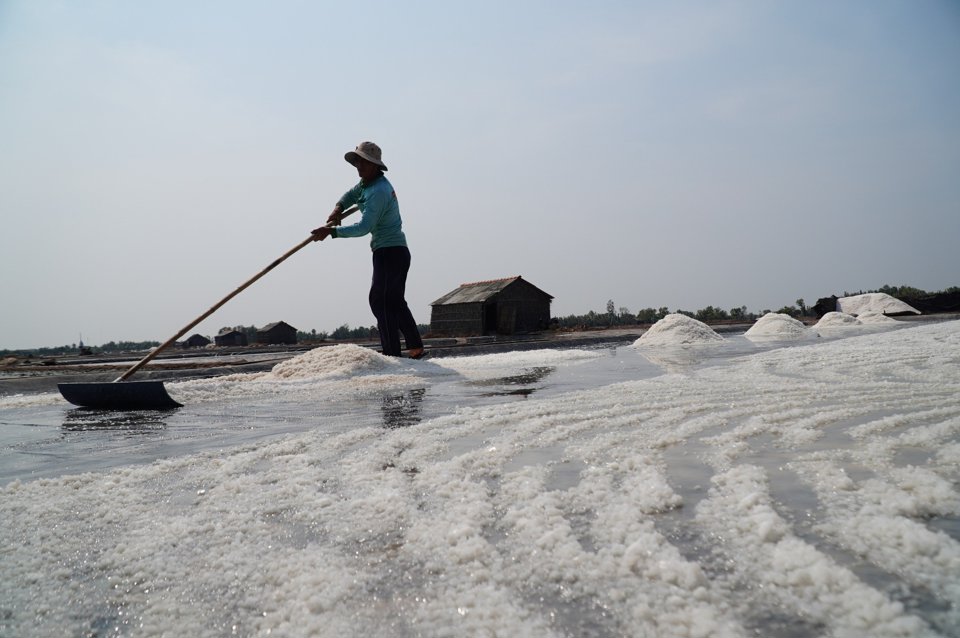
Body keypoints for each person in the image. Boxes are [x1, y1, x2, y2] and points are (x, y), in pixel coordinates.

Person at [311, 142, 425, 359]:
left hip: (391, 252)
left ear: (375, 165)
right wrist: (337, 209)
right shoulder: (366, 184)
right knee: (393, 300)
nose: (359, 166)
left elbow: (364, 228)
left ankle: (391, 353)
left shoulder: (379, 191)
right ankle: (415, 347)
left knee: (380, 300)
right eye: (358, 162)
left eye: (363, 162)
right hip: (388, 251)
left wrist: (331, 232)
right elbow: (349, 195)